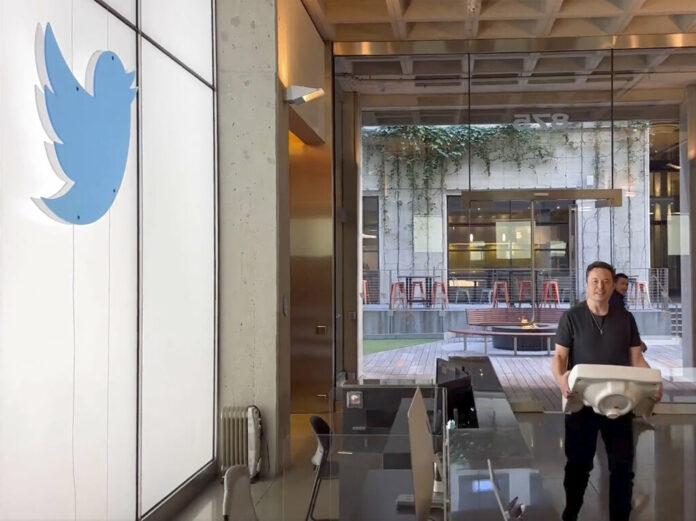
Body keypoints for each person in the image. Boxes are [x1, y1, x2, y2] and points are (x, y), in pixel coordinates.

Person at [551, 261, 662, 521]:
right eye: (594, 281)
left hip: (620, 403)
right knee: (578, 467)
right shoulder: (572, 317)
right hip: (582, 404)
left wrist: (653, 382)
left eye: (605, 281)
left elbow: (636, 360)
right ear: (587, 284)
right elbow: (559, 357)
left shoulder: (625, 318)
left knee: (623, 468)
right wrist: (560, 379)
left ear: (613, 286)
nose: (600, 286)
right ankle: (571, 513)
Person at [609, 272, 648, 353]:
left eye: (627, 284)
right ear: (614, 284)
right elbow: (622, 322)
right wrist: (637, 341)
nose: (625, 287)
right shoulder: (614, 300)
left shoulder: (618, 298)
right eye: (622, 284)